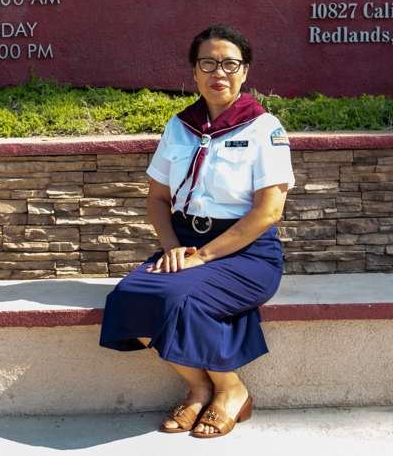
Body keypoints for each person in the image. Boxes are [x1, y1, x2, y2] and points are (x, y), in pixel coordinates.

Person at [98, 24, 294, 438]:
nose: (218, 72)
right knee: (130, 296)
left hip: (247, 253)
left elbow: (269, 212)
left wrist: (203, 256)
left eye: (229, 64)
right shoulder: (179, 127)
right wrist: (173, 247)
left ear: (245, 71)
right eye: (208, 63)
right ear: (194, 72)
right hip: (186, 245)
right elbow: (157, 199)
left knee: (180, 298)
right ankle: (200, 386)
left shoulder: (264, 129)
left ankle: (231, 389)